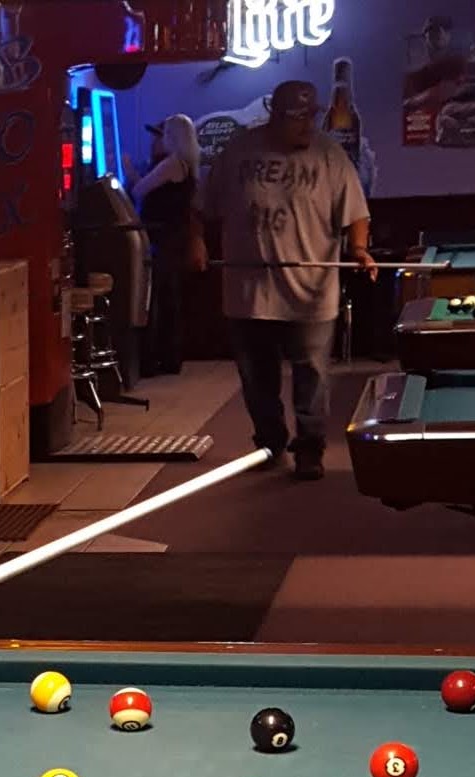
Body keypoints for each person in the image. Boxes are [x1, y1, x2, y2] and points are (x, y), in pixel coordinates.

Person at [191, 81, 375, 481]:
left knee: (312, 376)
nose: (308, 125)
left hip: (311, 289)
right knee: (257, 378)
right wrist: (197, 241)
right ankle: (270, 443)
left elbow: (356, 212)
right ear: (275, 116)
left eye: (311, 116)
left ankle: (310, 449)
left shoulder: (329, 155)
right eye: (298, 118)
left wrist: (359, 249)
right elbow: (201, 207)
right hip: (248, 290)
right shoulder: (238, 151)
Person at [125, 114, 199, 376]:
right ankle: (170, 356)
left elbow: (139, 190)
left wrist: (127, 168)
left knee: (157, 297)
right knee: (169, 297)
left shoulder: (171, 164)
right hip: (175, 237)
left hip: (162, 238)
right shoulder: (186, 164)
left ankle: (155, 358)